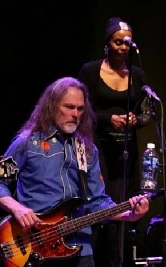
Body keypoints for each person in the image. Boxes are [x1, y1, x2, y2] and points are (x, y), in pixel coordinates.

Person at [0, 77, 150, 267]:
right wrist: (17, 208)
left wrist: (128, 214)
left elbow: (96, 202)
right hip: (36, 247)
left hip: (81, 248)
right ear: (52, 106)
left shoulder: (87, 150)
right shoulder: (27, 143)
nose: (75, 114)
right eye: (69, 107)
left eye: (80, 109)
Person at [77, 17, 152, 267]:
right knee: (99, 206)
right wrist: (109, 118)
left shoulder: (136, 74)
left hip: (125, 151)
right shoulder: (90, 71)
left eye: (127, 43)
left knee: (123, 206)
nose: (123, 47)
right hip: (97, 149)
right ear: (107, 43)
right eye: (118, 42)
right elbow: (80, 110)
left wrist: (136, 120)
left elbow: (148, 111)